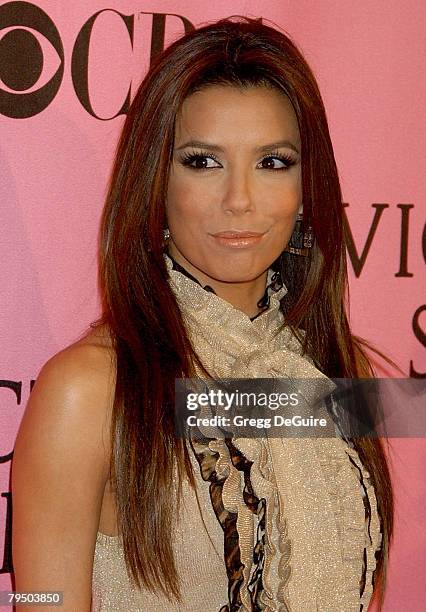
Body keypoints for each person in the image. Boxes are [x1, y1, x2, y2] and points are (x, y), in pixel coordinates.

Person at [11, 16, 394, 612]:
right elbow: (38, 600)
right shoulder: (90, 389)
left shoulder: (336, 381)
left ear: (305, 187)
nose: (240, 199)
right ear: (156, 182)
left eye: (273, 162)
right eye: (203, 162)